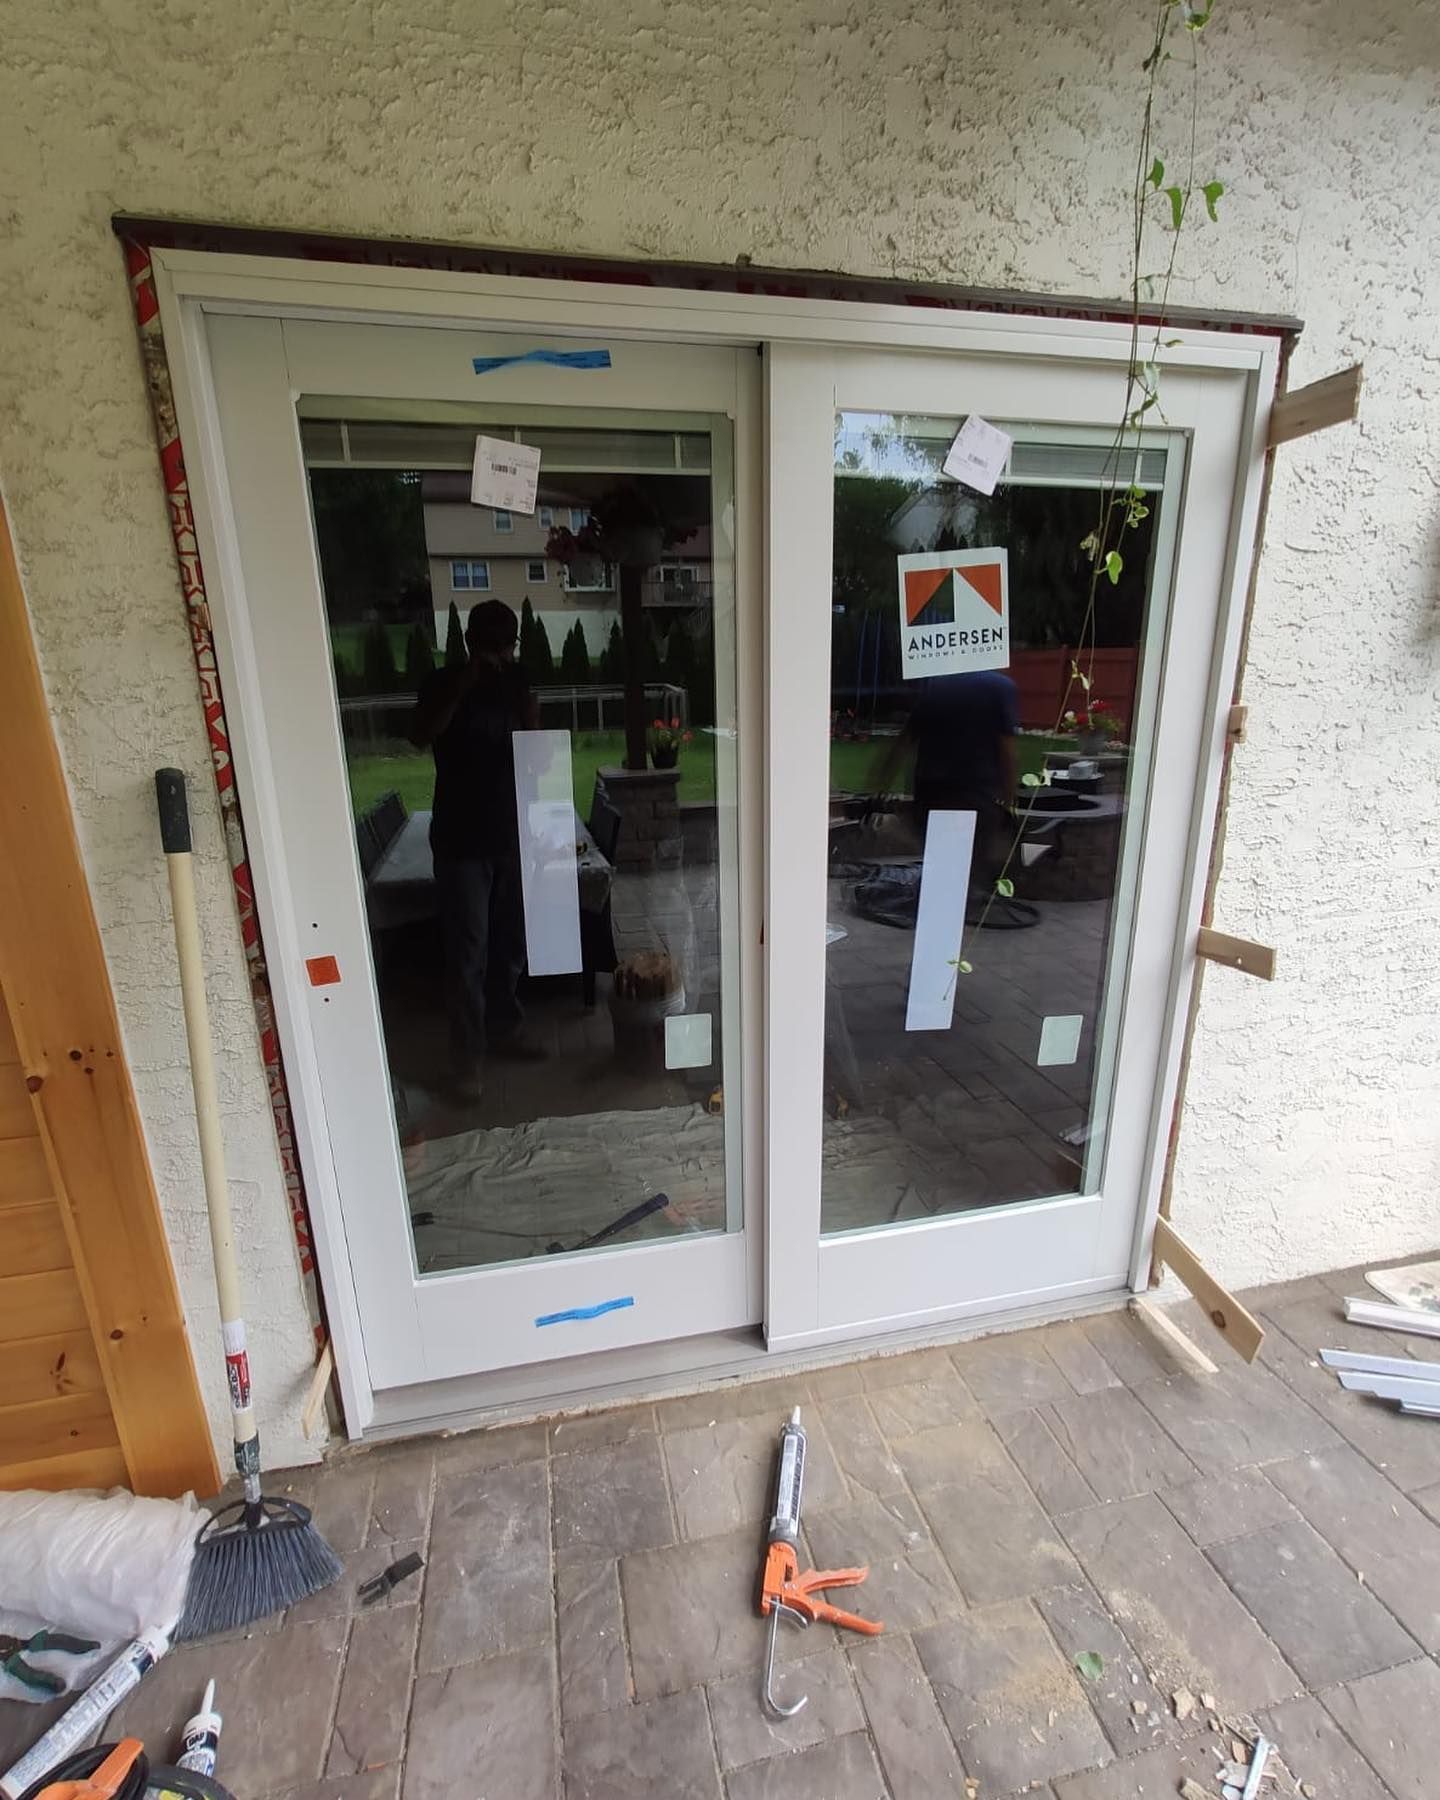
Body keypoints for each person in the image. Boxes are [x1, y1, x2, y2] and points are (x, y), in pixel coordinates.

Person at [410, 600, 545, 1095]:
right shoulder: (443, 682)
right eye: (492, 644)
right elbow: (420, 735)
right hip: (461, 839)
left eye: (506, 645)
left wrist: (530, 715)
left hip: (511, 834)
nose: (500, 654)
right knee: (469, 954)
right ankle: (467, 1062)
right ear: (470, 642)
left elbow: (538, 760)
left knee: (511, 944)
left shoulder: (516, 683)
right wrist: (464, 684)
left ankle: (505, 1029)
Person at [877, 668, 1020, 877]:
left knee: (941, 868)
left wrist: (881, 782)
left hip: (931, 793)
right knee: (969, 871)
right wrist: (1009, 799)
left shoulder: (936, 686)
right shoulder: (1000, 687)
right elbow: (1006, 750)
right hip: (976, 795)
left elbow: (905, 740)